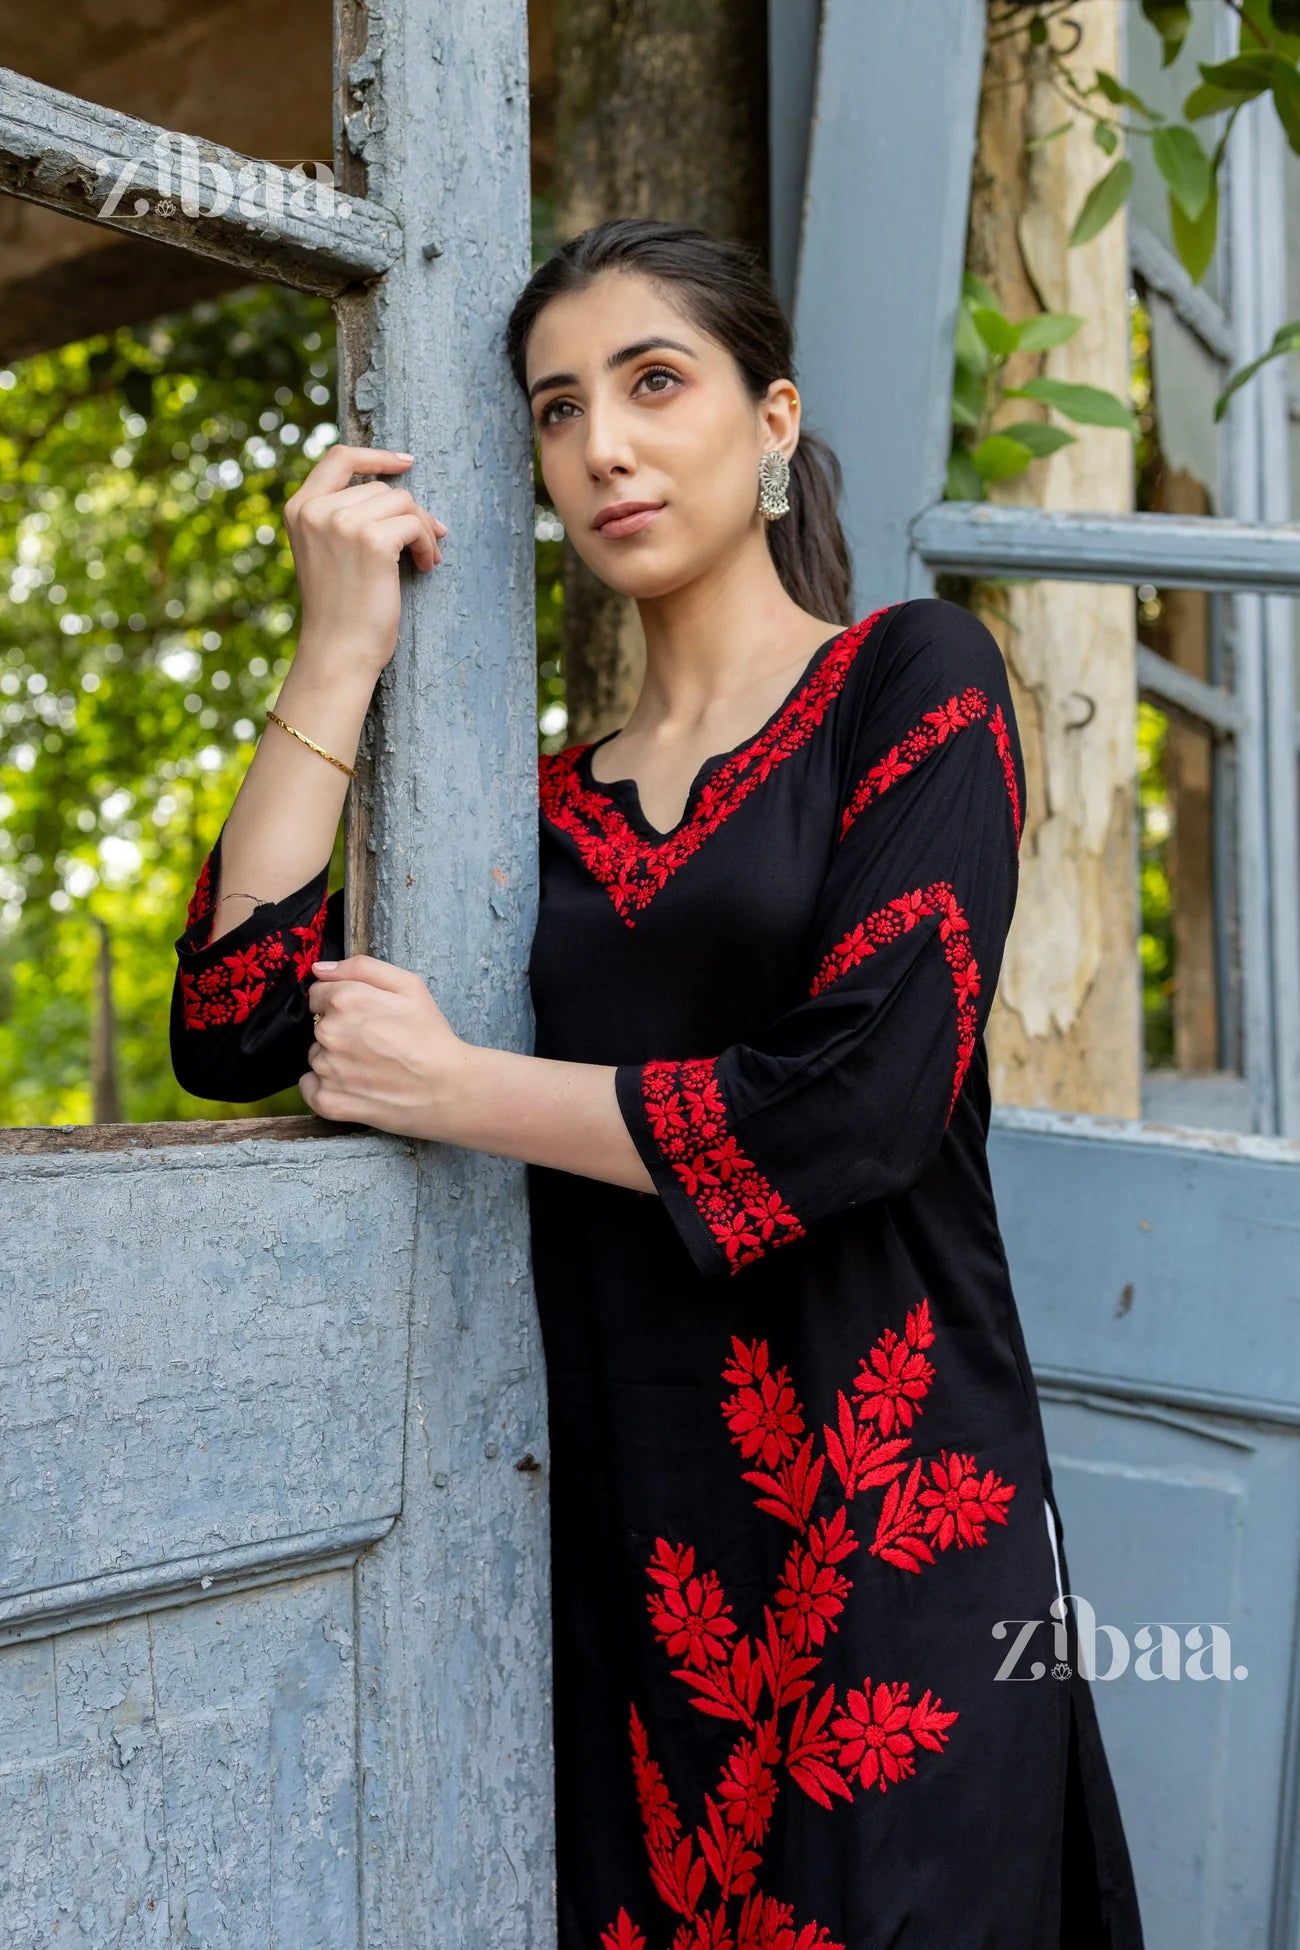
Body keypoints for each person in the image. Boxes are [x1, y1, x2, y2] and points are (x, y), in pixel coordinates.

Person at [170, 218, 1144, 1950]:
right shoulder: (528, 819)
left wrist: (463, 1087)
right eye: (556, 410)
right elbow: (238, 1017)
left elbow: (854, 1106)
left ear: (771, 423)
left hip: (898, 1538)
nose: (602, 443)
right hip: (641, 1577)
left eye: (653, 381)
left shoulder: (910, 683)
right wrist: (336, 651)